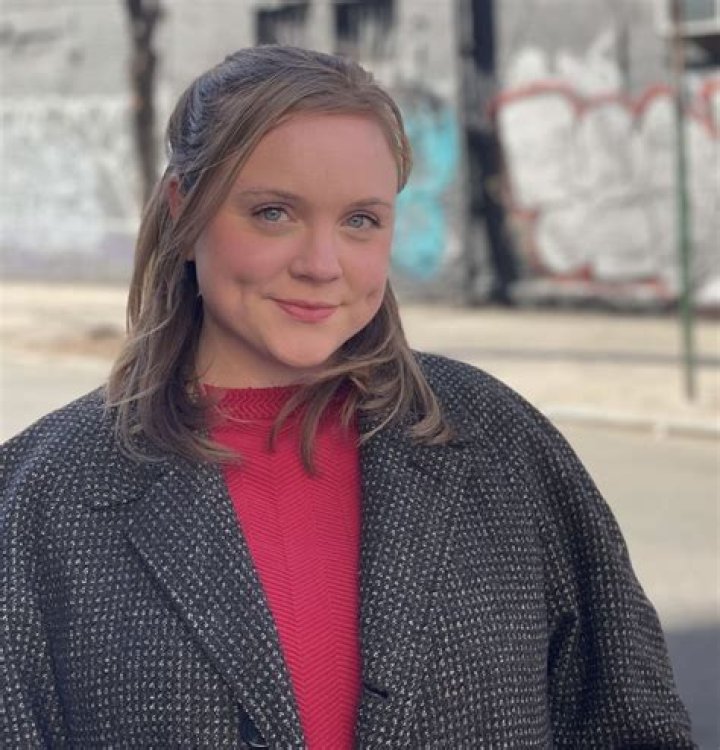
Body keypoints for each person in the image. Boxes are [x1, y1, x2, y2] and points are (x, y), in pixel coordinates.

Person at [1, 45, 695, 749]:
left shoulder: (500, 444)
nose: (321, 265)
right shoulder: (39, 498)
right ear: (185, 211)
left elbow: (632, 725)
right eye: (274, 213)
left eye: (360, 220)